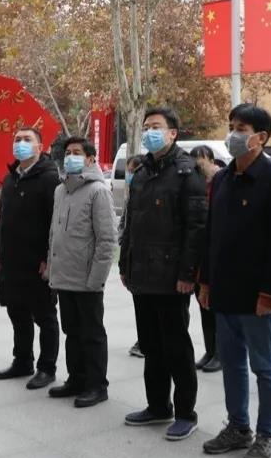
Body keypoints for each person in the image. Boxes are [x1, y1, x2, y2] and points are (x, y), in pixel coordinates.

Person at [199, 104, 271, 458]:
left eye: (241, 128)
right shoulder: (223, 179)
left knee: (265, 366)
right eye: (231, 126)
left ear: (261, 137)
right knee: (232, 363)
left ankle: (268, 434)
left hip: (257, 294)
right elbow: (212, 234)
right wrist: (205, 282)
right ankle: (238, 426)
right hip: (223, 290)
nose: (233, 134)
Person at [119, 107, 207, 440]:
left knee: (176, 348)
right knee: (151, 346)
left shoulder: (187, 172)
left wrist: (188, 273)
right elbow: (131, 222)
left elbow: (196, 228)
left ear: (173, 133)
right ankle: (158, 406)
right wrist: (125, 264)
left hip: (172, 278)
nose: (149, 132)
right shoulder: (142, 171)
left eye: (156, 127)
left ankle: (185, 412)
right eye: (146, 127)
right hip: (142, 274)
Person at [46, 136, 118, 407]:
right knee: (72, 332)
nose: (70, 157)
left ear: (90, 159)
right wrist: (51, 270)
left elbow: (107, 240)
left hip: (87, 280)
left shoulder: (98, 191)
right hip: (64, 277)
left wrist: (96, 280)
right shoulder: (60, 190)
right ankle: (76, 379)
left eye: (76, 153)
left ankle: (97, 386)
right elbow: (54, 234)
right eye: (67, 153)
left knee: (92, 334)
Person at [0, 128, 61, 390]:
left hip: (37, 261)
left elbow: (55, 222)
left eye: (27, 139)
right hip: (11, 258)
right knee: (17, 312)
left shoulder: (50, 179)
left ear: (40, 147)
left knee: (45, 317)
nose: (21, 143)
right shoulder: (10, 178)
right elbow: (2, 218)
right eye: (17, 139)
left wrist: (48, 258)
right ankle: (22, 361)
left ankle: (47, 368)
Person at [190, 145, 223, 373]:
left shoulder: (221, 181)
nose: (197, 166)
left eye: (200, 161)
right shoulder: (197, 183)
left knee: (216, 308)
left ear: (210, 160)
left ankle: (220, 353)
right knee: (203, 306)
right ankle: (210, 351)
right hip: (199, 254)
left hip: (215, 253)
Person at [123, 156, 146, 360]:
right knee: (141, 306)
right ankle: (143, 340)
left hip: (149, 262)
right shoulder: (134, 192)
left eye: (131, 171)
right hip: (134, 260)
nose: (128, 175)